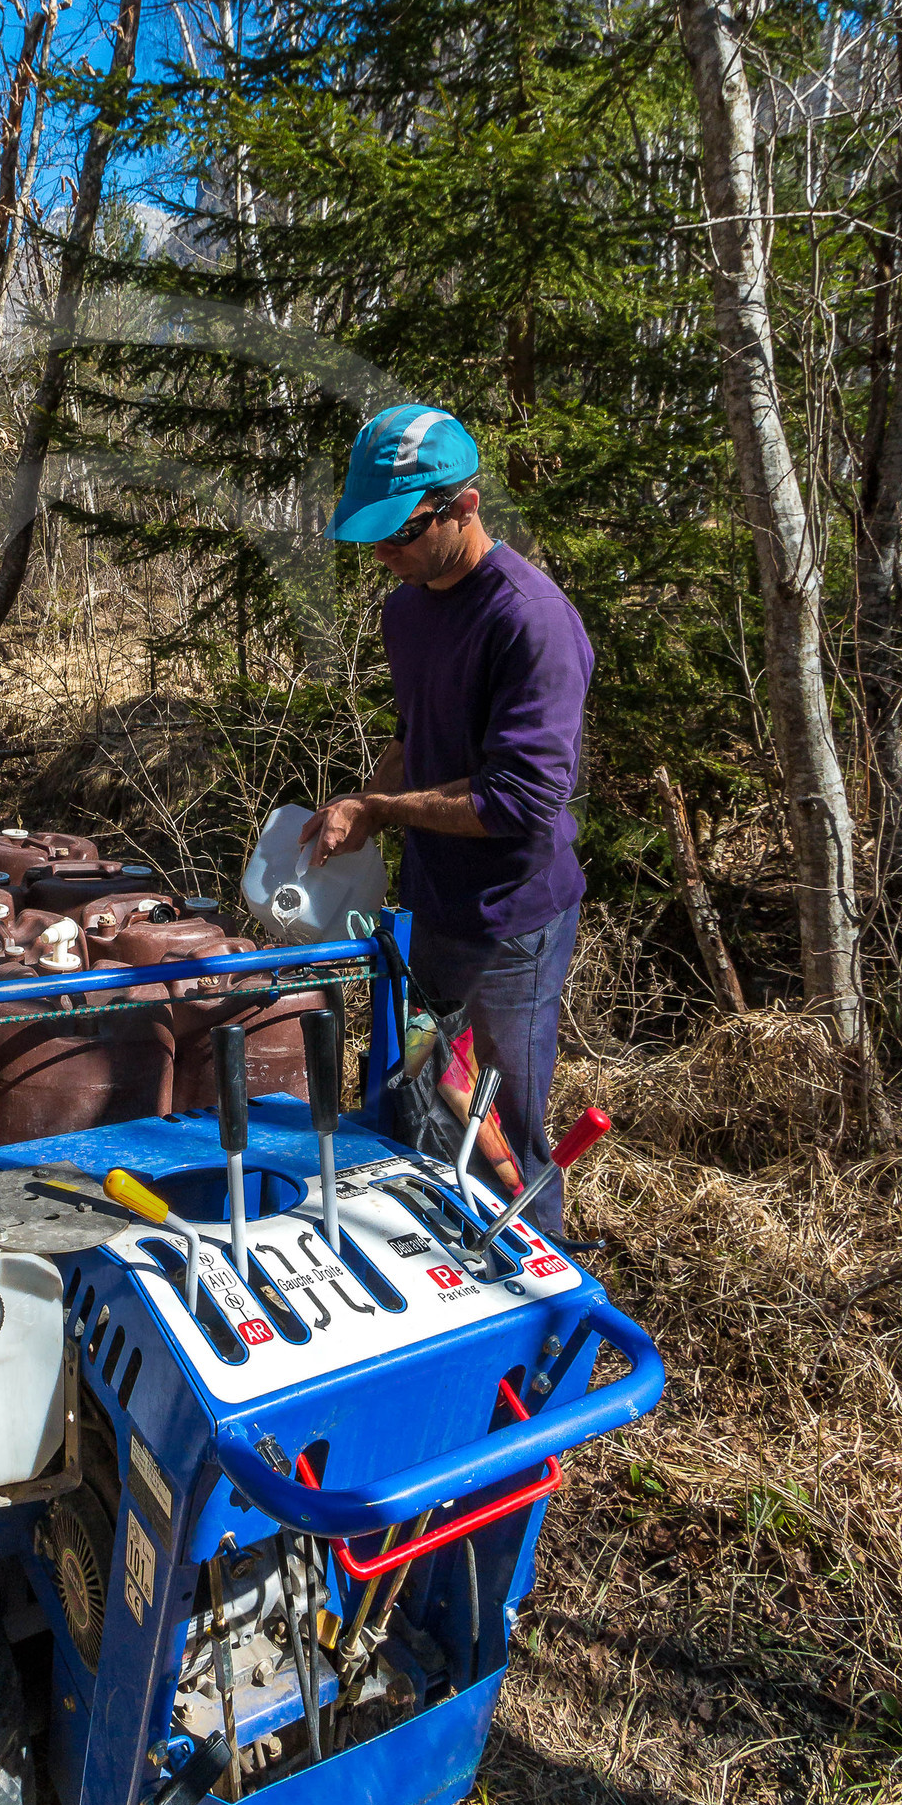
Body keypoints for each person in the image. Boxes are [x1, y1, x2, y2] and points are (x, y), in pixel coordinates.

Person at [299, 403, 593, 1239]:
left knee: (505, 1136)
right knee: (429, 1100)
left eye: (400, 533)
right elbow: (415, 733)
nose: (383, 554)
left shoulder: (529, 620)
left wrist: (384, 809)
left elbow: (519, 799)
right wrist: (360, 805)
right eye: (373, 538)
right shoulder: (408, 607)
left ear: (463, 507)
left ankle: (538, 1317)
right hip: (434, 907)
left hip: (512, 919)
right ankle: (433, 1276)